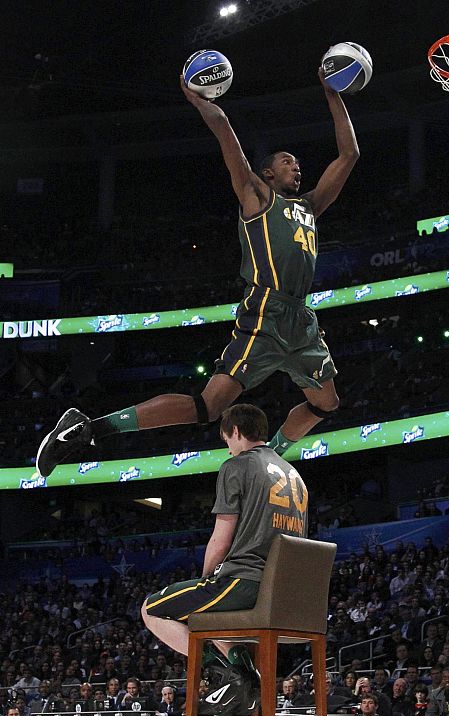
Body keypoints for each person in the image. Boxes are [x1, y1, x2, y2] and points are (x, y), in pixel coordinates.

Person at [35, 66, 361, 479]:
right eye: (287, 162)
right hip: (267, 311)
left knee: (325, 404)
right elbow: (226, 131)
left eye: (297, 164)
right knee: (210, 405)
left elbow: (349, 155)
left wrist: (332, 93)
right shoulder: (256, 196)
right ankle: (86, 429)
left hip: (301, 319)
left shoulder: (310, 207)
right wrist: (201, 102)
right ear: (267, 173)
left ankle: (270, 457)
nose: (297, 168)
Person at [141, 404, 308, 716]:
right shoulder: (293, 473)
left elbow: (221, 538)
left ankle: (228, 675)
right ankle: (242, 671)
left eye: (227, 440)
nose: (228, 449)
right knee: (210, 614)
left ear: (236, 431)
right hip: (286, 594)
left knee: (151, 610)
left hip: (247, 581)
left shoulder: (237, 466)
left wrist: (206, 579)